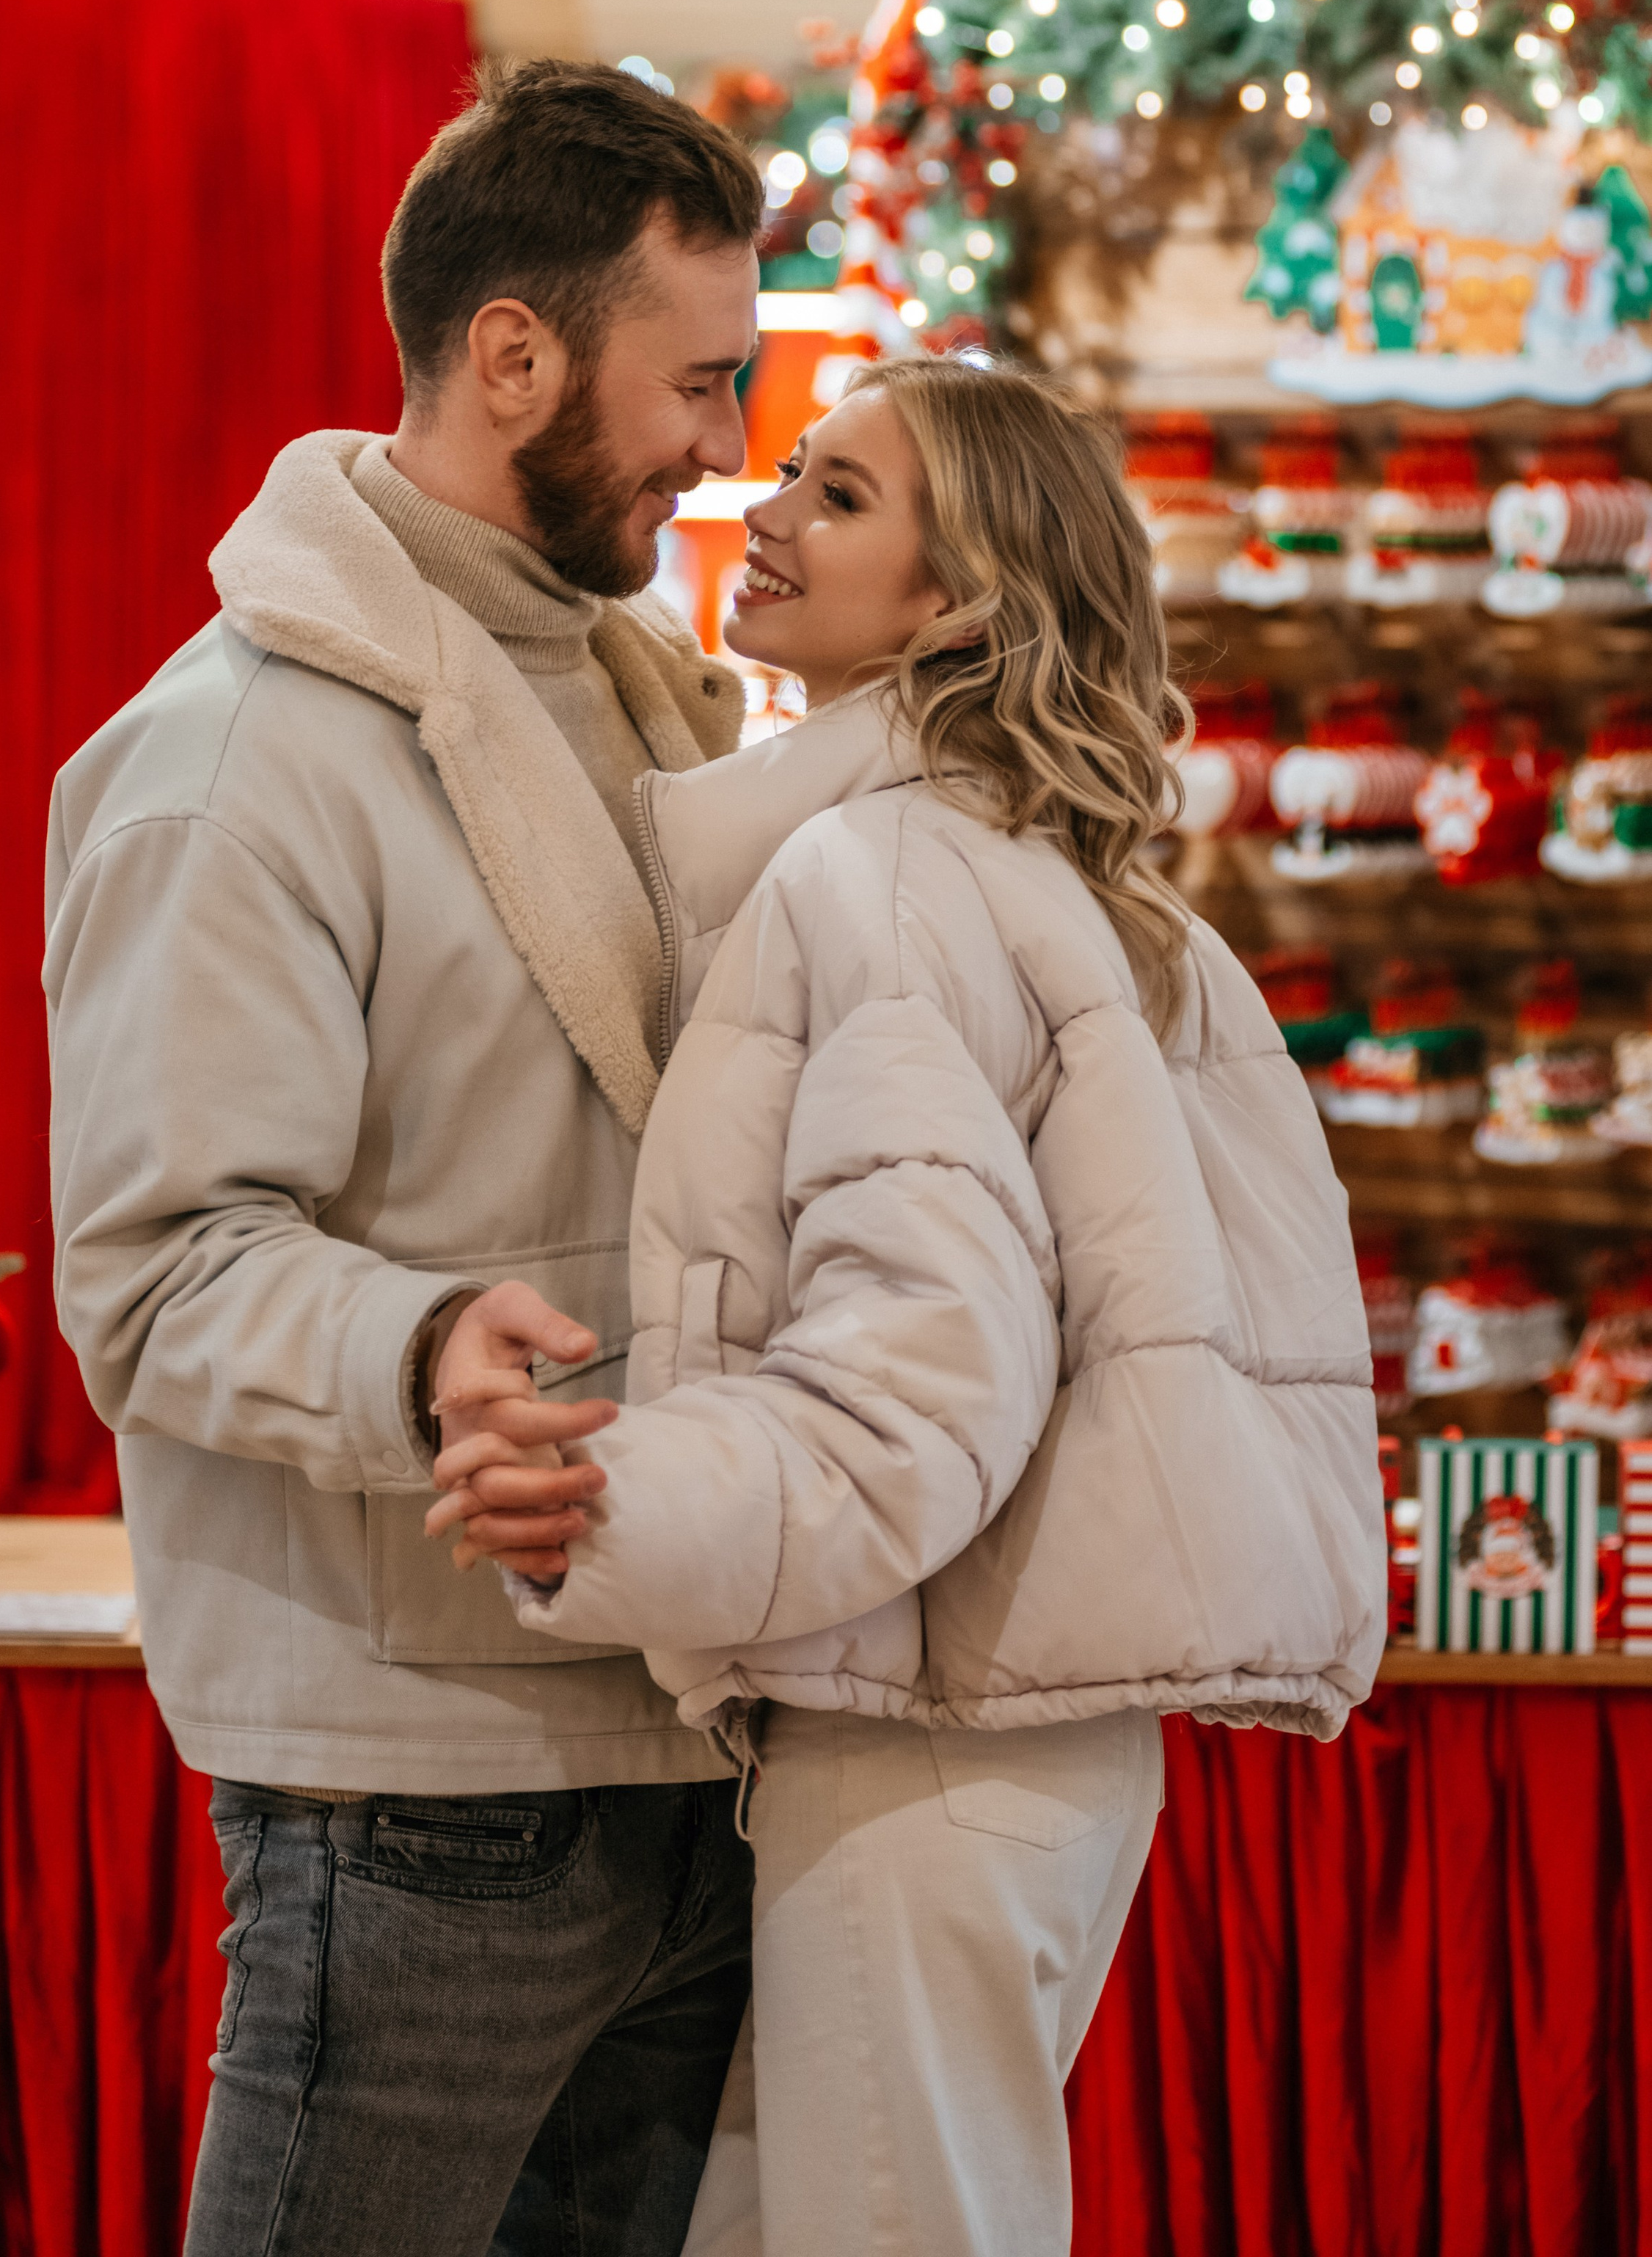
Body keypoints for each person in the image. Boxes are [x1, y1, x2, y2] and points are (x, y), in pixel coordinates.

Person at [429, 357, 1386, 2257]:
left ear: (955, 605)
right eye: (785, 463)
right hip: (1012, 1734)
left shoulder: (879, 877)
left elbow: (927, 1369)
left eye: (842, 495)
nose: (767, 508)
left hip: (926, 1735)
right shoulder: (1095, 900)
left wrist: (612, 1505)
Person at [43, 58, 770, 2257]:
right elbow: (155, 1273)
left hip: (684, 1737)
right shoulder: (234, 759)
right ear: (514, 352)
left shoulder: (637, 692)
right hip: (416, 1778)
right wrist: (434, 1339)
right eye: (701, 381)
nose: (726, 449)